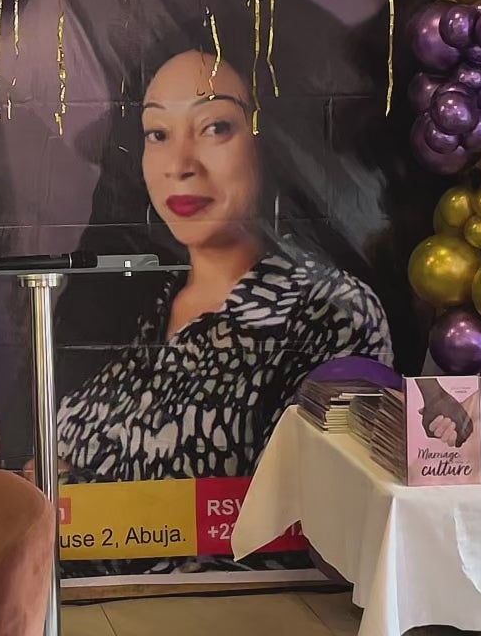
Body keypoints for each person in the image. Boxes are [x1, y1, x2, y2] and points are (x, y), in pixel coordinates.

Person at [56, 47, 393, 482]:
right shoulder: (140, 299)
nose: (180, 165)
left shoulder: (329, 312)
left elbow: (305, 504)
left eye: (215, 127)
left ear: (267, 141)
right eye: (158, 134)